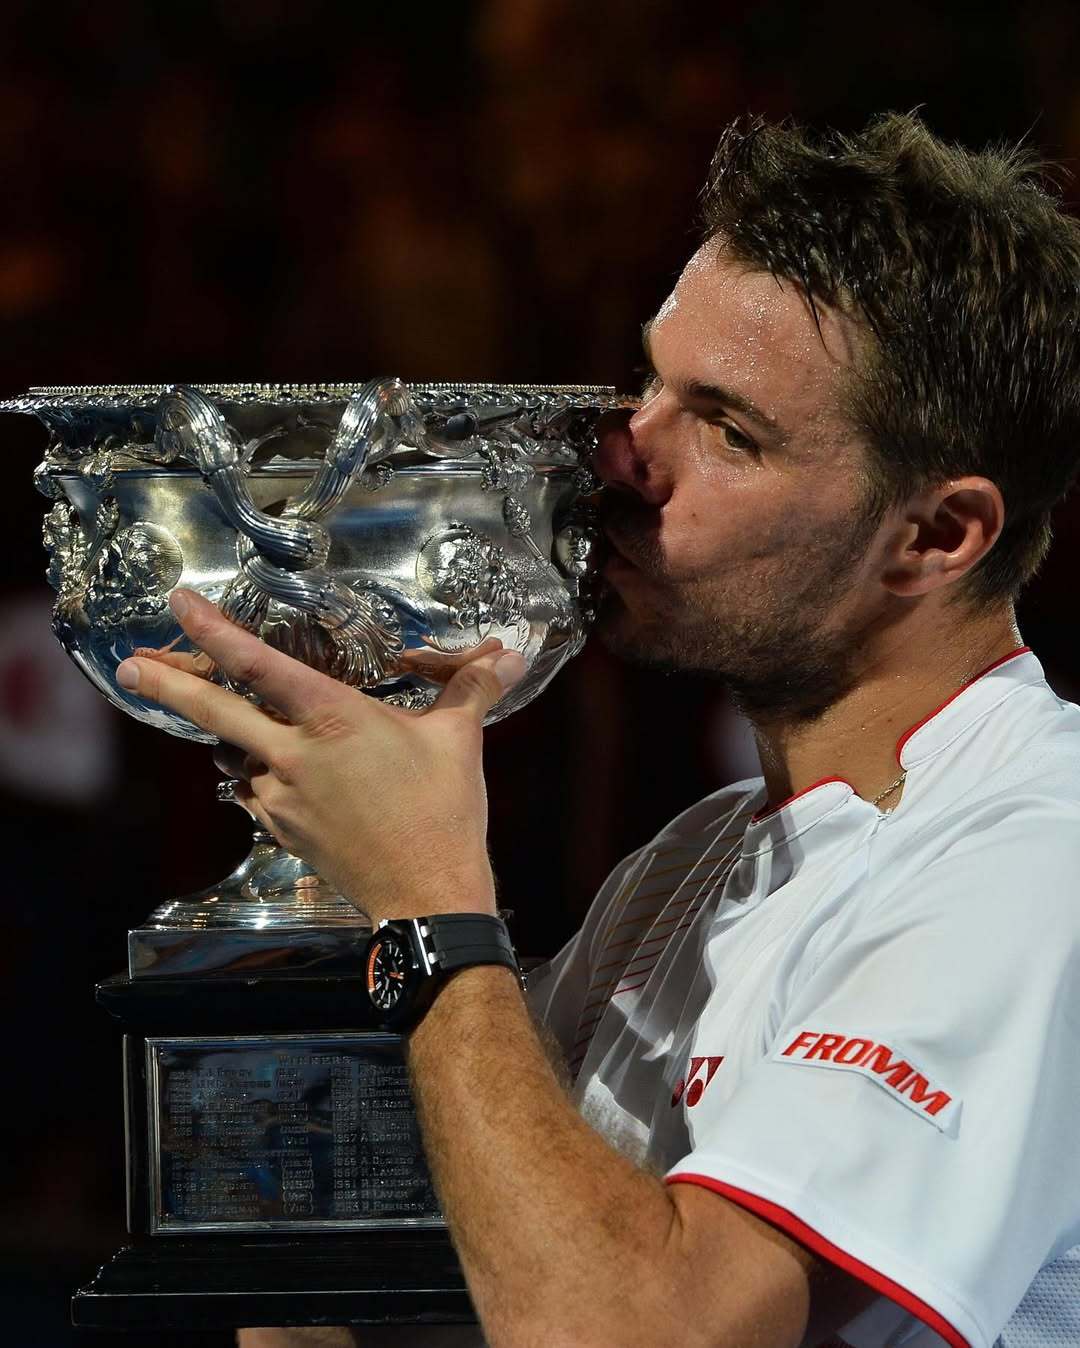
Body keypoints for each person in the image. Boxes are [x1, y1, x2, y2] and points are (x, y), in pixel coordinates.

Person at [119, 113, 1080, 1347]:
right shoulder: (689, 864)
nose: (623, 449)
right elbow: (447, 1280)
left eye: (728, 428)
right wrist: (317, 893)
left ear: (936, 537)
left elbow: (631, 1331)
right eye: (651, 379)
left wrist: (428, 896)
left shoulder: (1033, 857)